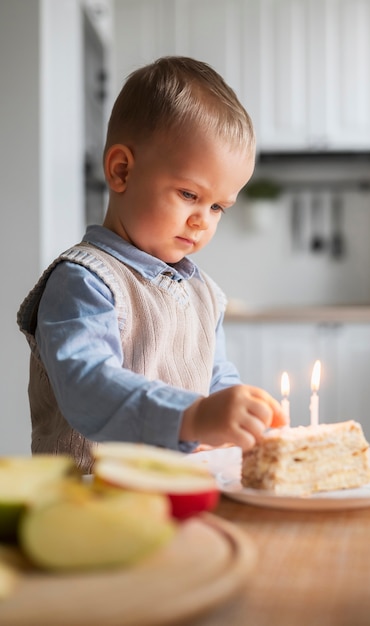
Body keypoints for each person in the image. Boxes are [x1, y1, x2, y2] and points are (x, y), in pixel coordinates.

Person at [17, 56, 287, 473]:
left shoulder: (204, 294)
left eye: (218, 207)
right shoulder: (83, 282)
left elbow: (215, 378)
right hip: (91, 504)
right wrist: (194, 418)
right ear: (122, 170)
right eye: (189, 195)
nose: (203, 220)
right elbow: (88, 386)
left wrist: (242, 416)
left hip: (181, 494)